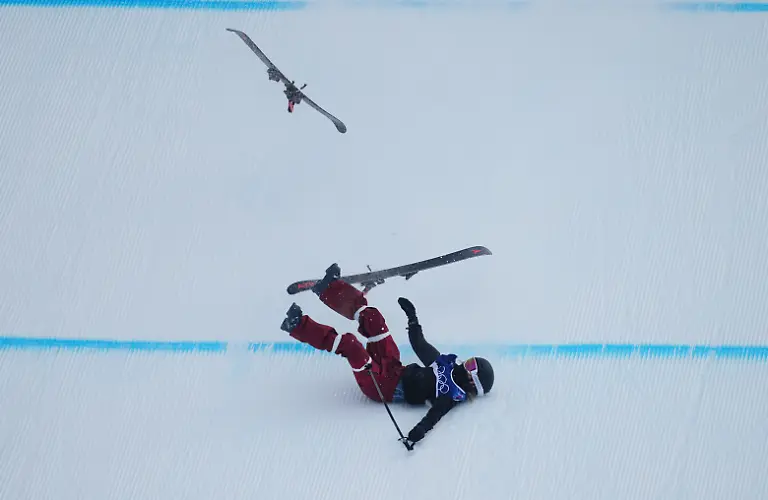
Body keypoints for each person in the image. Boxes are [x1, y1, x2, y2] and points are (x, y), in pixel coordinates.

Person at [279, 262, 495, 447]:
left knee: (351, 345)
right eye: (470, 361)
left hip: (382, 386)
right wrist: (412, 317)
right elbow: (420, 345)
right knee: (374, 319)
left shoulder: (450, 395)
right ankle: (329, 288)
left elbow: (432, 418)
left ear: (473, 381)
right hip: (394, 368)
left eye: (471, 367)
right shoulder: (447, 365)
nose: (465, 364)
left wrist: (415, 436)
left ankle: (297, 325)